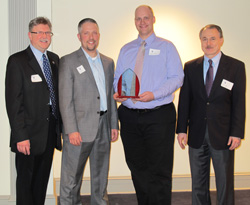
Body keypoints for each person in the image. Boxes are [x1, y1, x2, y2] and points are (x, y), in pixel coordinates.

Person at [113, 5, 184, 205]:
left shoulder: (167, 47)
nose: (142, 22)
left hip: (159, 115)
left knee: (160, 169)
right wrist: (118, 93)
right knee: (137, 167)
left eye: (146, 18)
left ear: (153, 19)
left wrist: (154, 95)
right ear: (134, 21)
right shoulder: (125, 49)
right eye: (138, 19)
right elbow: (118, 78)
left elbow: (177, 78)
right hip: (129, 115)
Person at [176, 24, 246, 205]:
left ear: (221, 40)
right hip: (197, 134)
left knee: (224, 182)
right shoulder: (191, 67)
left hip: (223, 135)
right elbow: (184, 101)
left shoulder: (236, 67)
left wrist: (237, 132)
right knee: (198, 183)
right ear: (200, 41)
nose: (209, 43)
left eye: (213, 38)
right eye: (204, 39)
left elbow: (239, 103)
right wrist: (182, 129)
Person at [59, 18, 119, 205]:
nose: (91, 37)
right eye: (86, 33)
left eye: (94, 33)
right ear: (79, 36)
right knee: (71, 178)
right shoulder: (68, 61)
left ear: (99, 36)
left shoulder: (108, 62)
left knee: (101, 174)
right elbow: (65, 99)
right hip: (79, 129)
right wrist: (71, 129)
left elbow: (110, 96)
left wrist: (113, 124)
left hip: (103, 125)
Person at [5, 17, 62, 205]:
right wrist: (20, 136)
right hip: (27, 135)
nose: (44, 36)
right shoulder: (17, 61)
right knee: (25, 184)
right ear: (30, 36)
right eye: (40, 33)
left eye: (48, 32)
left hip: (49, 132)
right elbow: (14, 103)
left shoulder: (54, 60)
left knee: (41, 182)